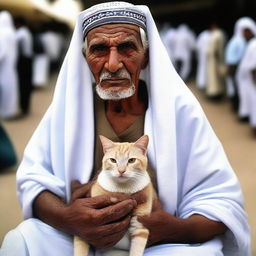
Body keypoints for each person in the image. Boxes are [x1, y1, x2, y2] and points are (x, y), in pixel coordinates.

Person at [0, 2, 250, 256]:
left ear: (147, 56)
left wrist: (175, 229)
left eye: (127, 47)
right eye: (99, 49)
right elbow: (33, 179)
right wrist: (66, 217)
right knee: (22, 240)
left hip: (157, 245)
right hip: (80, 239)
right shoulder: (68, 110)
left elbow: (223, 204)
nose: (112, 64)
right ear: (85, 58)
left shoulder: (180, 111)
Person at [225, 17, 256, 112]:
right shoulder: (239, 41)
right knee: (238, 90)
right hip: (236, 68)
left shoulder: (244, 41)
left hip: (239, 69)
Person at [0, 11, 19, 119]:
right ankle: (9, 111)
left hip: (3, 67)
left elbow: (2, 52)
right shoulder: (12, 32)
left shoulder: (2, 33)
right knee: (11, 89)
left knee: (4, 90)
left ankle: (4, 112)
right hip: (11, 67)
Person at [15, 17, 33, 116]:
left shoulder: (21, 33)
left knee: (23, 85)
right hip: (28, 60)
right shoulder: (26, 32)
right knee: (26, 84)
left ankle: (24, 108)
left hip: (23, 61)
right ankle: (25, 107)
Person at [206, 23, 226, 100]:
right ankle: (214, 94)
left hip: (215, 59)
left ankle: (216, 94)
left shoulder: (217, 34)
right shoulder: (215, 34)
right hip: (213, 59)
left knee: (215, 78)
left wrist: (219, 59)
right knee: (214, 78)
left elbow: (218, 48)